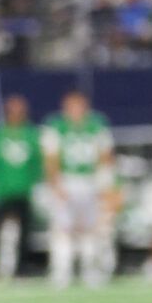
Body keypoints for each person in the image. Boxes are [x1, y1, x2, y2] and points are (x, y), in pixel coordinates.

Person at [42, 89, 116, 289]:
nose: (75, 110)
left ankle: (89, 270)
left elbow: (105, 156)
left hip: (90, 181)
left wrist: (105, 183)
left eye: (79, 105)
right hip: (67, 180)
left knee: (91, 229)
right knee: (63, 229)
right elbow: (51, 158)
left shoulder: (97, 125)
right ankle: (61, 271)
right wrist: (56, 184)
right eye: (71, 105)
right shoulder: (56, 126)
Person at [0, 94, 42, 280]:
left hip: (24, 189)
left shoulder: (31, 134)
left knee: (25, 232)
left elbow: (37, 163)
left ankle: (22, 266)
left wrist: (34, 183)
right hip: (4, 190)